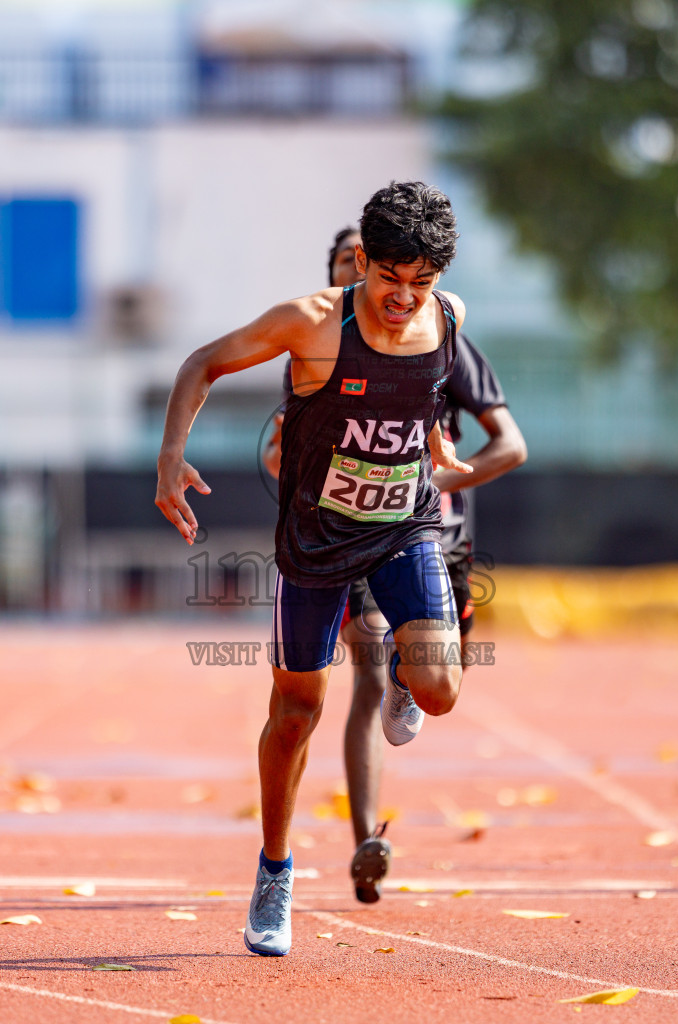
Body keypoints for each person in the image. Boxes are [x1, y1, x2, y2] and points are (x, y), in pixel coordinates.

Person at [156, 181, 473, 957]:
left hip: (404, 526)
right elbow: (204, 362)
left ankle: (404, 670)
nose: (404, 298)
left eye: (420, 284)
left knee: (437, 688)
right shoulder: (311, 323)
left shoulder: (451, 315)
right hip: (314, 544)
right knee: (296, 712)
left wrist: (432, 445)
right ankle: (275, 870)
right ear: (361, 260)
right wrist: (171, 458)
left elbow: (427, 391)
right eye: (389, 279)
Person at [264, 227, 527, 906]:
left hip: (432, 534)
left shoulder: (440, 334)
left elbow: (509, 443)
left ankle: (413, 682)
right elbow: (277, 447)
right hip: (343, 536)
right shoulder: (317, 346)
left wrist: (430, 484)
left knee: (432, 683)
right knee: (363, 677)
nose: (386, 296)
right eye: (352, 274)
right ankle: (362, 842)